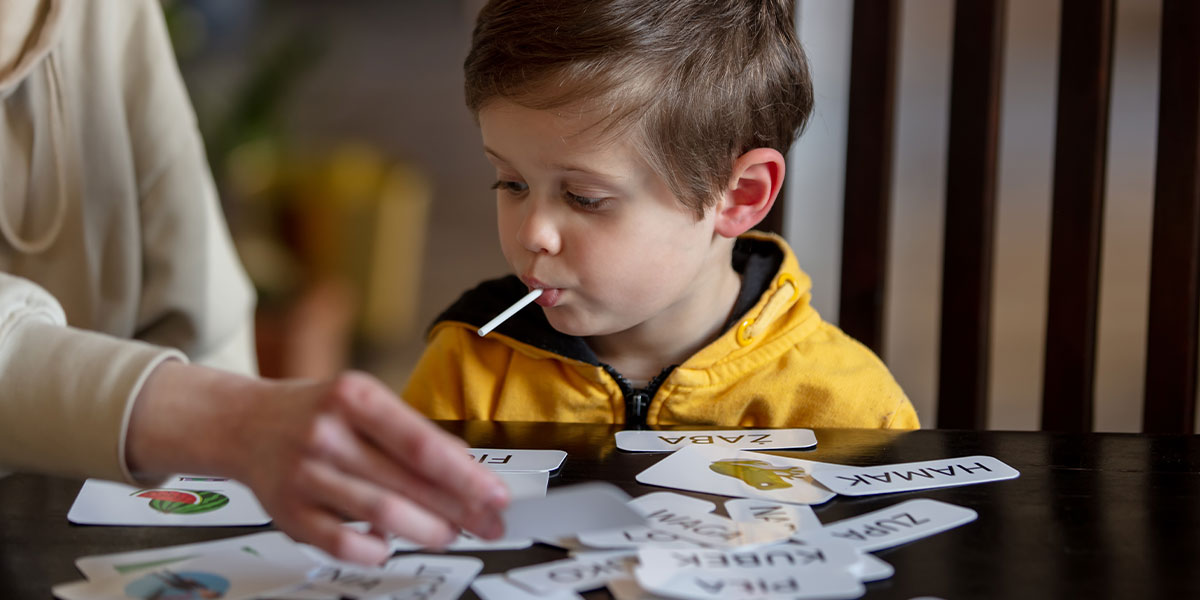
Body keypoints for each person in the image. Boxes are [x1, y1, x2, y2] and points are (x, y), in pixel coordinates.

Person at [0, 0, 508, 565]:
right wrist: (232, 421)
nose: (537, 233)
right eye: (510, 186)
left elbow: (190, 272)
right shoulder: (470, 348)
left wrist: (246, 535)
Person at [403, 0, 920, 429]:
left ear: (739, 195)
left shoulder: (843, 407)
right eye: (511, 182)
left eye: (584, 197)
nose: (532, 232)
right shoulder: (467, 370)